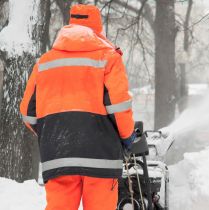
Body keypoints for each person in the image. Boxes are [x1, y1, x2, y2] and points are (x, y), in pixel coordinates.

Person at [20, 4, 135, 210]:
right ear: (98, 29)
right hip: (101, 157)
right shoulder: (108, 59)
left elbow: (28, 114)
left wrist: (55, 132)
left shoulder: (44, 63)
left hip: (58, 154)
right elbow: (119, 107)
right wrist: (127, 138)